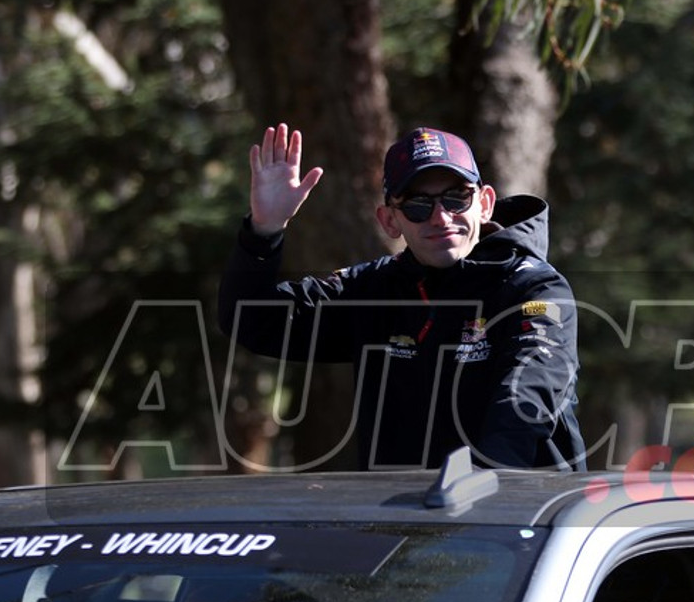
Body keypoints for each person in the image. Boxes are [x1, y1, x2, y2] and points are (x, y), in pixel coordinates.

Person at [219, 124, 585, 470]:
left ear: (485, 203)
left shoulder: (535, 288)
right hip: (399, 521)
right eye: (417, 205)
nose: (441, 218)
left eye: (457, 198)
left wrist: (476, 485)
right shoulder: (371, 289)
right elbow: (252, 321)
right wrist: (263, 230)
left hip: (515, 519)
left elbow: (526, 397)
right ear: (390, 220)